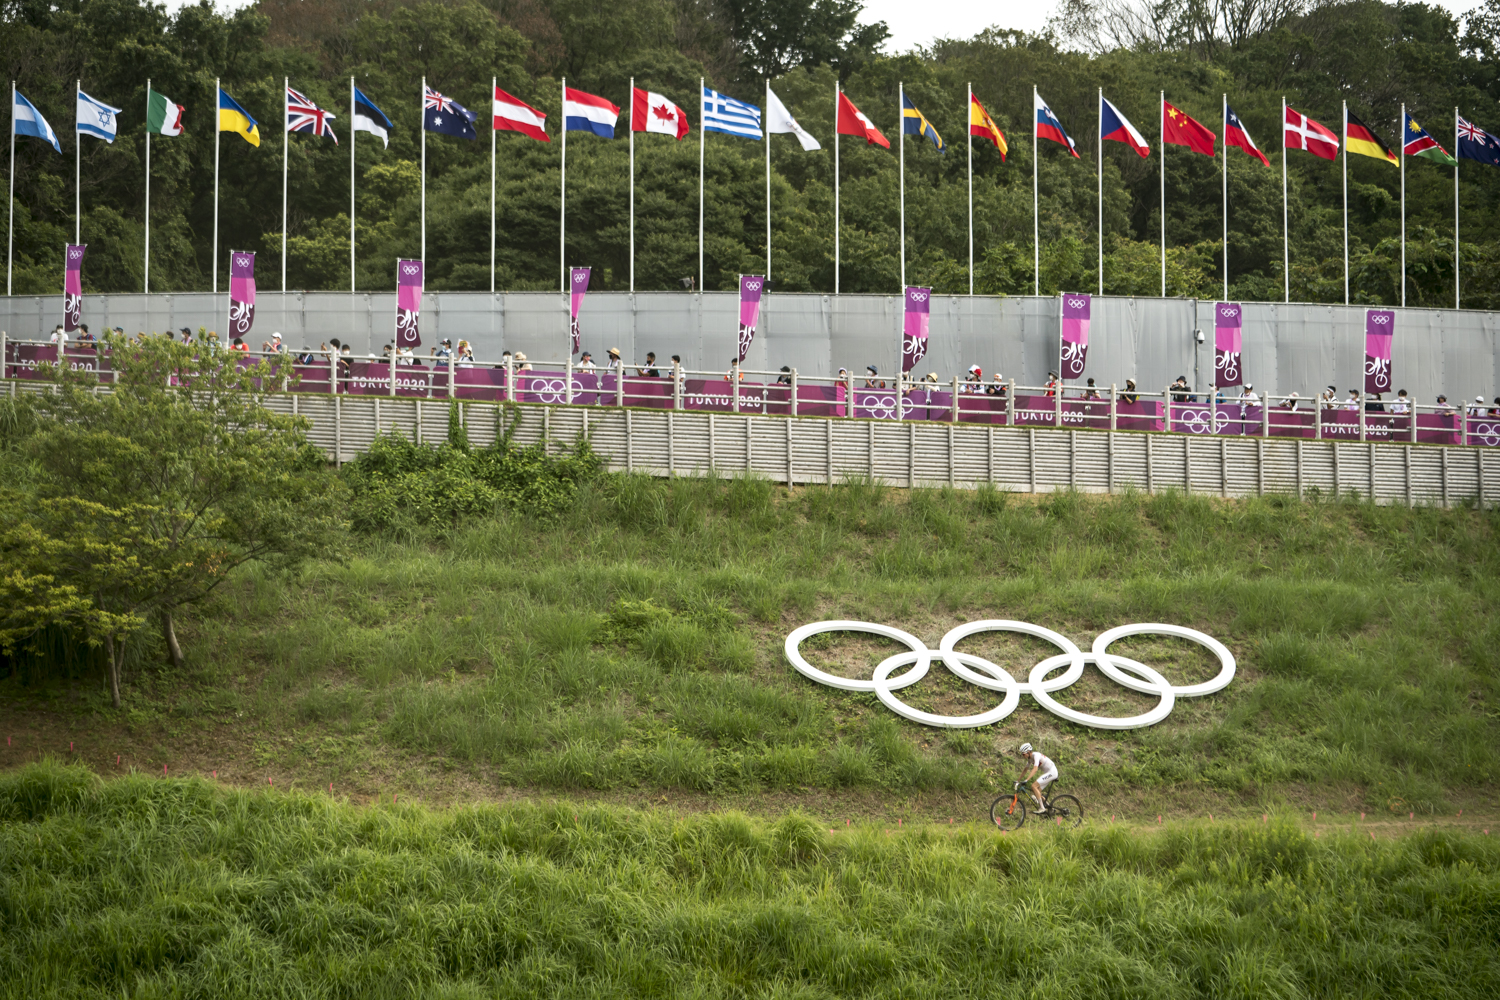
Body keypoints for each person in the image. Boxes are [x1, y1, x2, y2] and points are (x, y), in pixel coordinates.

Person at [1014, 742, 1058, 815]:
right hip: (1049, 773)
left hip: (1052, 772)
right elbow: (1025, 770)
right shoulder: (1030, 759)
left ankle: (1042, 808)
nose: (1022, 755)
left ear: (1028, 752)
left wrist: (1026, 780)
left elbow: (1035, 769)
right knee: (1037, 792)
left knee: (1033, 786)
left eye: (1023, 754)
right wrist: (1017, 781)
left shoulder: (1036, 755)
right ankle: (1050, 808)